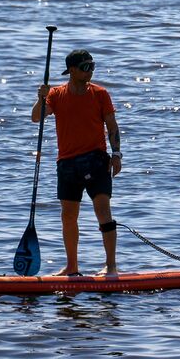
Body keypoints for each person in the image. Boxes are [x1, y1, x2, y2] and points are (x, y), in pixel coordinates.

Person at [32, 48, 122, 275]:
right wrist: (40, 98)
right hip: (67, 163)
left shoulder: (100, 94)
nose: (90, 71)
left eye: (92, 66)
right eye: (85, 67)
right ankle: (72, 267)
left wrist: (117, 154)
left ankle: (111, 266)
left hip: (96, 160)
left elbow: (112, 127)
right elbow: (36, 117)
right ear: (71, 70)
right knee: (68, 215)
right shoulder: (56, 94)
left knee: (103, 210)